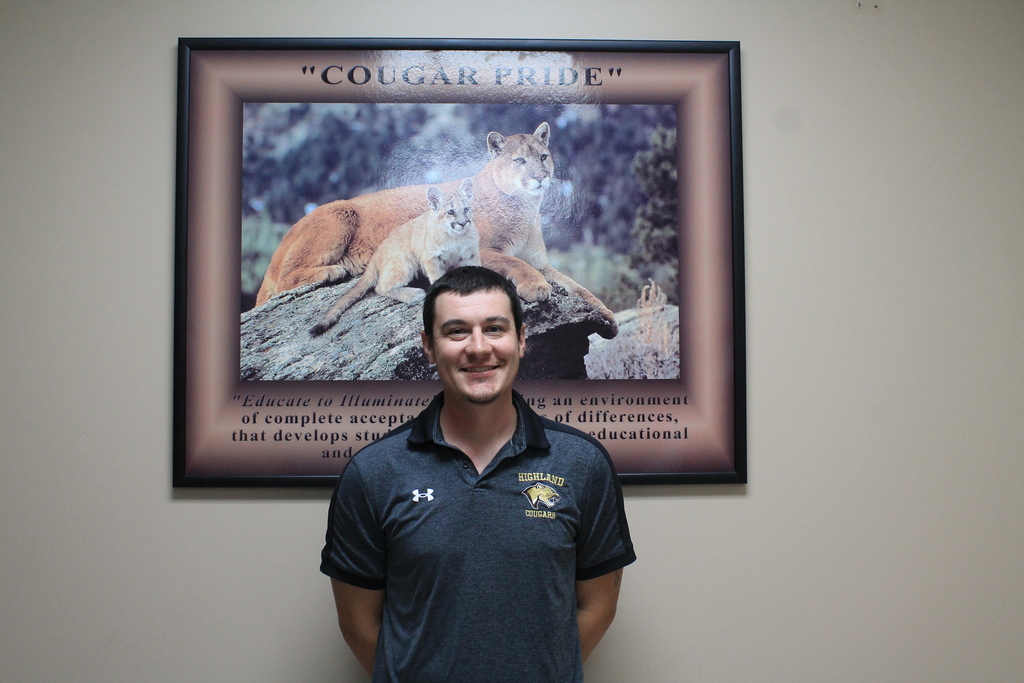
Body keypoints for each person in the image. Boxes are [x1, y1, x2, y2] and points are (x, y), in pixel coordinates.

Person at [321, 266, 635, 682]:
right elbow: (359, 623)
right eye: (455, 332)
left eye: (495, 328)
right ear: (428, 347)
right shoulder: (373, 472)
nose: (478, 347)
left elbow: (597, 606)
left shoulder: (582, 463)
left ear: (522, 340)